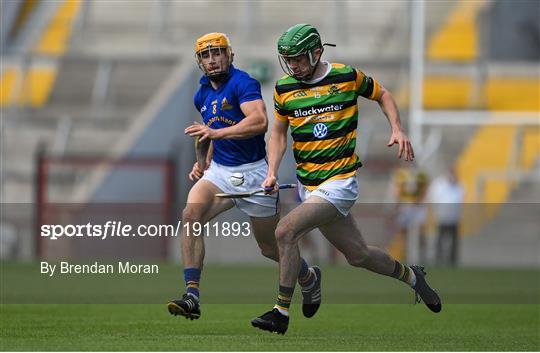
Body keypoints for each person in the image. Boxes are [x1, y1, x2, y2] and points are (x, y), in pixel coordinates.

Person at [251, 24, 441, 335]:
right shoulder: (284, 89)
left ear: (316, 53)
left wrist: (397, 127)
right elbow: (278, 134)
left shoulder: (346, 76)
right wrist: (272, 170)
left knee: (284, 231)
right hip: (309, 186)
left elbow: (383, 94)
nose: (293, 66)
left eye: (298, 59)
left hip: (339, 183)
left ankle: (281, 312)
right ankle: (412, 276)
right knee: (358, 255)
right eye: (288, 60)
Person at [167, 32, 320, 320]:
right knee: (190, 215)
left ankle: (308, 276)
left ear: (230, 55)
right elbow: (207, 132)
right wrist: (202, 162)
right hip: (220, 173)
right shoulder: (201, 94)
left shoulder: (243, 83)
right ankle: (192, 295)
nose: (212, 60)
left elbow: (259, 122)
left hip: (254, 175)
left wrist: (215, 133)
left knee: (269, 248)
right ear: (199, 62)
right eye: (205, 55)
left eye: (218, 53)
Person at [428, 167, 464, 266]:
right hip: (442, 218)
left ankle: (452, 262)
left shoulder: (459, 185)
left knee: (454, 243)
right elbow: (434, 198)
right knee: (440, 240)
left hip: (454, 219)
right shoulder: (439, 184)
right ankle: (438, 261)